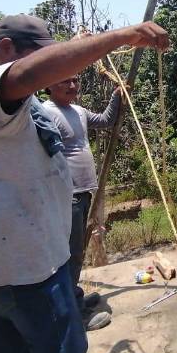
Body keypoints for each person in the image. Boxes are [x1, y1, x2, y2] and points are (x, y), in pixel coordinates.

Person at [0, 14, 168, 353]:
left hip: (18, 259)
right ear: (5, 48)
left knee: (16, 349)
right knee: (64, 350)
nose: (61, 81)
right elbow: (28, 74)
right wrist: (121, 36)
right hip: (25, 267)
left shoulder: (1, 98)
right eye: (37, 59)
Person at [42, 74, 122, 331]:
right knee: (70, 253)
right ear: (49, 85)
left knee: (77, 250)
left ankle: (74, 296)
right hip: (68, 195)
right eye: (64, 81)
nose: (72, 86)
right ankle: (74, 315)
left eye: (75, 80)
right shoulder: (45, 113)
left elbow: (107, 120)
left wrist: (117, 95)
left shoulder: (78, 110)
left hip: (86, 192)